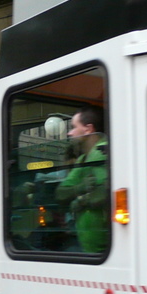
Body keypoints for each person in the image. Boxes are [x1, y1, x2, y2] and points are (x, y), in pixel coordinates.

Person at [55, 106, 109, 253]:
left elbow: (104, 193)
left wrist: (79, 201)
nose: (69, 132)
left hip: (106, 247)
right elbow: (60, 193)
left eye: (73, 127)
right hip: (89, 246)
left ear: (88, 129)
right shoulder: (82, 159)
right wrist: (79, 189)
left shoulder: (103, 152)